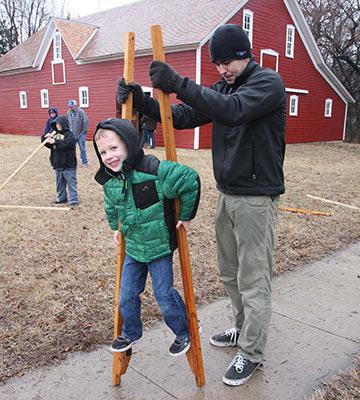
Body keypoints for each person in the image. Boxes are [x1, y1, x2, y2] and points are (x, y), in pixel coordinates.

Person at [116, 24, 286, 386]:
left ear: (245, 55)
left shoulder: (267, 84)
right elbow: (182, 116)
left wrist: (179, 83)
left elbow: (233, 110)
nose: (222, 69)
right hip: (228, 194)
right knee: (230, 272)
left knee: (253, 279)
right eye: (218, 63)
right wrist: (143, 100)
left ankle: (252, 352)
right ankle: (242, 329)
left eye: (228, 62)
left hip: (257, 199)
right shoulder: (224, 88)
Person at [93, 118, 201, 356]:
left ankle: (184, 331)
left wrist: (186, 215)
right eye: (103, 152)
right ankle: (131, 331)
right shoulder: (110, 181)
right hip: (133, 248)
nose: (109, 156)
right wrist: (115, 227)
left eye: (114, 148)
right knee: (126, 295)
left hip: (159, 247)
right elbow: (111, 205)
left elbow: (190, 180)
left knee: (164, 295)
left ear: (130, 146)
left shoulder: (153, 170)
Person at [41, 115, 79, 206]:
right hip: (58, 164)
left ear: (64, 124)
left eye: (59, 124)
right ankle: (62, 198)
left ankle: (73, 200)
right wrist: (45, 138)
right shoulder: (55, 134)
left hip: (68, 164)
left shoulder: (70, 135)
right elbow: (48, 145)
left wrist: (55, 142)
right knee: (60, 184)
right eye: (56, 124)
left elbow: (66, 144)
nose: (58, 126)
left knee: (71, 183)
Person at [67, 99, 89, 167]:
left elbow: (86, 122)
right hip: (72, 134)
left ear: (75, 105)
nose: (70, 108)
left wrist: (83, 132)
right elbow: (68, 123)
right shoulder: (69, 113)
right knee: (71, 148)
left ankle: (85, 162)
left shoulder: (81, 112)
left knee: (82, 148)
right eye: (69, 106)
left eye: (72, 106)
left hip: (81, 134)